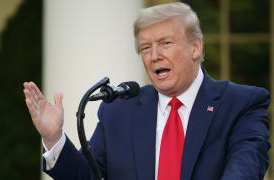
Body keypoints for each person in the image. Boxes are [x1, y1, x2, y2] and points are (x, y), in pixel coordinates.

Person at [23, 2, 270, 180]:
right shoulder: (118, 111)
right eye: (145, 47)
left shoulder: (241, 103)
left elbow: (246, 168)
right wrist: (54, 138)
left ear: (195, 47)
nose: (154, 56)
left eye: (166, 43)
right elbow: (87, 177)